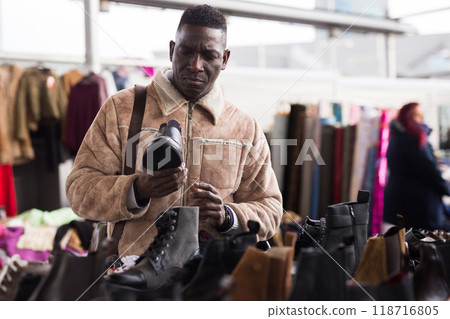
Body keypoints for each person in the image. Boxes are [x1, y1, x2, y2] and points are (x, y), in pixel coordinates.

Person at [66, 5, 283, 256]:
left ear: (224, 59)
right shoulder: (121, 109)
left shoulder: (244, 127)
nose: (195, 65)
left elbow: (271, 210)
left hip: (207, 280)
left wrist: (227, 215)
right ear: (172, 50)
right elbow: (79, 191)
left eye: (209, 55)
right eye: (186, 51)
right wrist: (137, 190)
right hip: (131, 273)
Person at [383, 102, 450, 231]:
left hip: (404, 200)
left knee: (407, 242)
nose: (421, 119)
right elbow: (429, 170)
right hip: (417, 203)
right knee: (422, 244)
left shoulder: (397, 136)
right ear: (409, 116)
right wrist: (446, 189)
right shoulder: (412, 138)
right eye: (417, 115)